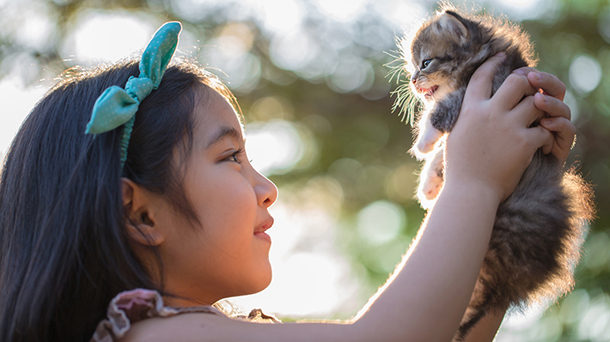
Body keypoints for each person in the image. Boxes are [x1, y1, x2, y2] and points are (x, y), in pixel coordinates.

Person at [0, 22, 575, 342]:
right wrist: (470, 183)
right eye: (230, 158)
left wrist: (510, 191)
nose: (267, 186)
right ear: (142, 215)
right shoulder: (151, 337)